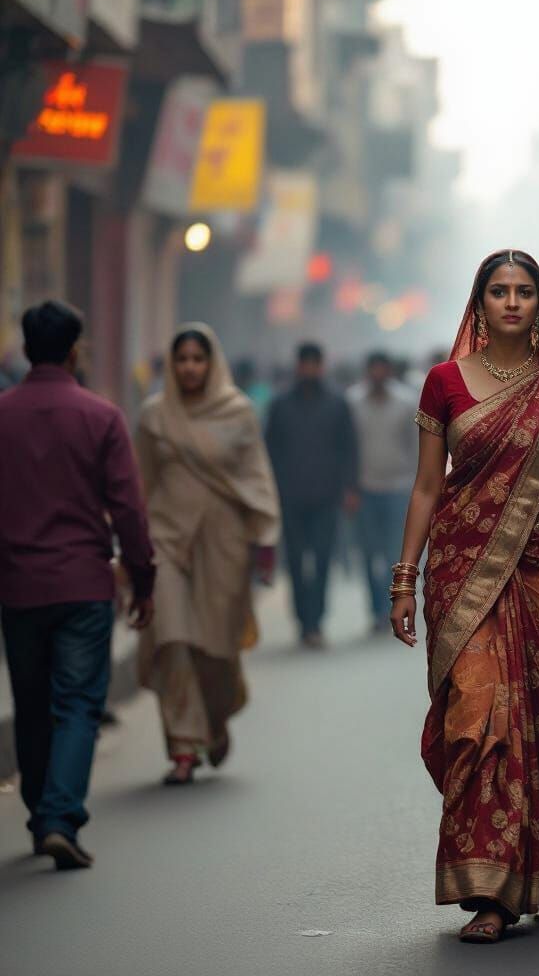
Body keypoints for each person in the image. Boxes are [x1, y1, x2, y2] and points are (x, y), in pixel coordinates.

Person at [390, 249, 539, 944]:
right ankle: (487, 887)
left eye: (524, 291)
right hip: (464, 574)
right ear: (479, 303)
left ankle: (521, 866)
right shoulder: (444, 384)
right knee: (474, 724)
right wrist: (405, 575)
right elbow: (429, 487)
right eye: (499, 291)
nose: (512, 302)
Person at [0, 302, 155, 869]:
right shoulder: (101, 416)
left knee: (31, 701)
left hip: (18, 587)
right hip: (84, 585)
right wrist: (143, 578)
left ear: (24, 349)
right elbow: (129, 511)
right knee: (78, 705)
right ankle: (58, 817)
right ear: (74, 350)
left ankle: (43, 810)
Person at [136, 325, 280, 785]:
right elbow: (140, 483)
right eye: (182, 360)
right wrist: (128, 548)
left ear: (211, 363)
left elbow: (257, 476)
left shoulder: (238, 413)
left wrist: (266, 538)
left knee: (216, 649)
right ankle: (182, 746)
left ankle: (213, 723)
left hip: (224, 543)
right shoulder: (155, 416)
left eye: (198, 359)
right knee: (172, 639)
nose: (190, 368)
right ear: (172, 366)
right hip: (166, 539)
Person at [265, 343, 359, 648]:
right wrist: (270, 491)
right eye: (304, 364)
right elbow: (268, 451)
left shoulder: (337, 403)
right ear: (298, 366)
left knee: (321, 560)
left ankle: (316, 622)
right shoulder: (280, 405)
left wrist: (350, 489)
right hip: (289, 497)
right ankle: (302, 622)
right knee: (294, 562)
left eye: (314, 364)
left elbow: (349, 450)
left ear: (322, 366)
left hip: (326, 497)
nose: (309, 370)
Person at [346, 352, 418, 633]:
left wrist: (417, 485)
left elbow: (415, 447)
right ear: (367, 371)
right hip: (364, 489)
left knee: (393, 554)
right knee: (367, 553)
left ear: (388, 372)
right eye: (372, 369)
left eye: (381, 370)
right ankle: (375, 610)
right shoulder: (352, 402)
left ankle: (394, 607)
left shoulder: (405, 402)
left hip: (398, 487)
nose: (377, 374)